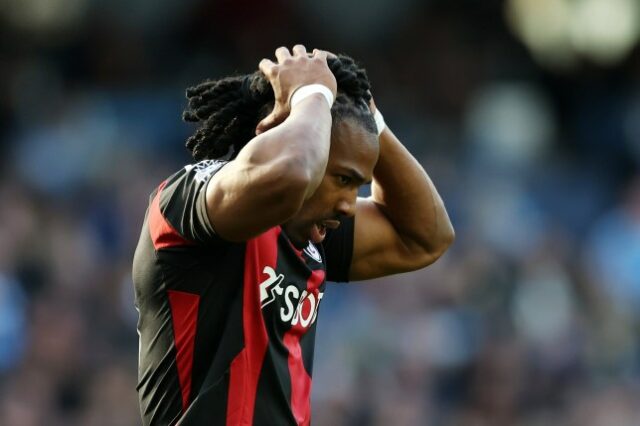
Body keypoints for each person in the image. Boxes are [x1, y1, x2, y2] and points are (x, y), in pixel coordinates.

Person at [132, 45, 454, 426]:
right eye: (342, 179)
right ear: (271, 130)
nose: (350, 204)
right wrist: (313, 94)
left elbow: (425, 236)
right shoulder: (189, 200)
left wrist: (370, 117)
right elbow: (295, 172)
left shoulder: (307, 232)